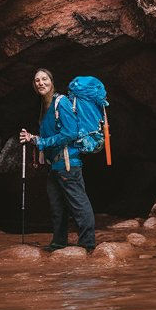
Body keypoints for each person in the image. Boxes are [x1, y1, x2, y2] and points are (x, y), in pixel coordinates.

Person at [19, 68, 96, 252]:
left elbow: (70, 133)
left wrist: (40, 141)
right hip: (55, 166)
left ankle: (88, 245)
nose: (41, 83)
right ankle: (59, 242)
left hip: (69, 165)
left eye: (44, 79)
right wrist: (32, 137)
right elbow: (52, 134)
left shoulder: (61, 103)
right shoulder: (45, 107)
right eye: (37, 80)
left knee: (79, 205)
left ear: (52, 82)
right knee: (56, 206)